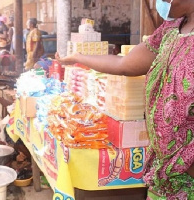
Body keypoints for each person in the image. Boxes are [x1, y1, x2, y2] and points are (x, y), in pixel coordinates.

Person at [56, 0, 194, 199]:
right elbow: (124, 64)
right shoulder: (171, 30)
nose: (158, 2)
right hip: (165, 176)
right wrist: (79, 57)